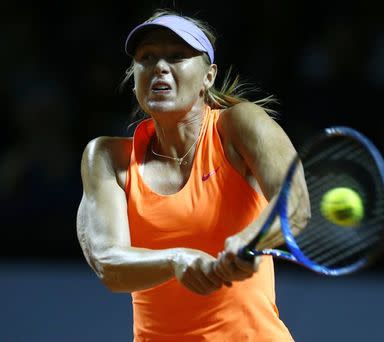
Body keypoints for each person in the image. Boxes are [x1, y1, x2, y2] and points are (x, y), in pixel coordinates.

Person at [76, 9, 310, 341]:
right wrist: (176, 259)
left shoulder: (240, 125)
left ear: (208, 76)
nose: (159, 67)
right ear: (134, 76)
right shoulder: (106, 157)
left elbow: (295, 201)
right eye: (146, 58)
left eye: (176, 56)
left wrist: (248, 241)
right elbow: (108, 262)